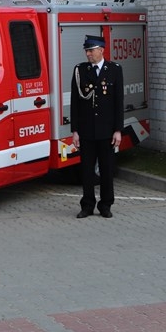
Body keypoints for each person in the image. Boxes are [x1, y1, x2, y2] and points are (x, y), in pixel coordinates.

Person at [70, 34, 124, 218]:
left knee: (106, 170)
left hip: (107, 131)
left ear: (101, 50)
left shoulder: (114, 70)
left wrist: (118, 130)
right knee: (87, 171)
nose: (88, 54)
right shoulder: (80, 70)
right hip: (86, 131)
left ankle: (105, 205)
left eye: (91, 50)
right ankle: (87, 205)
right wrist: (75, 130)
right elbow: (75, 102)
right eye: (86, 51)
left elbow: (118, 102)